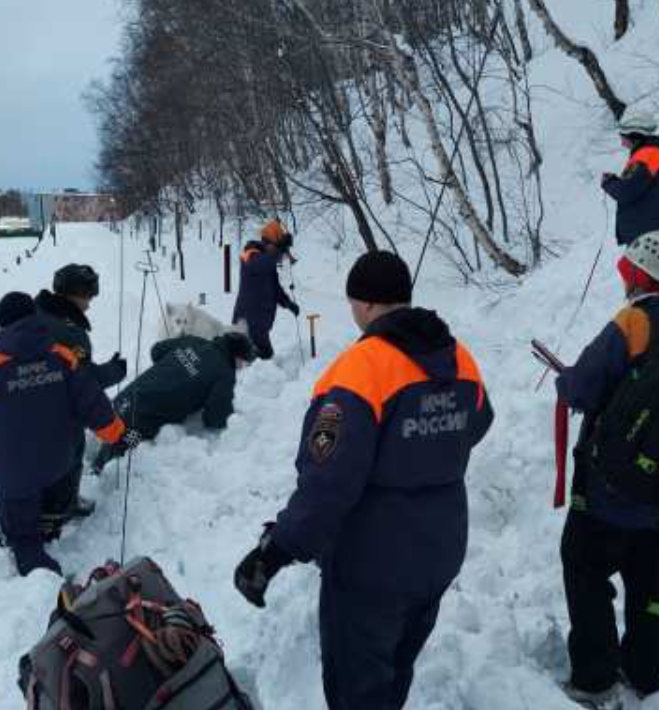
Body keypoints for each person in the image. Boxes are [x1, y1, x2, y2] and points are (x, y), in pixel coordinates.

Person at [233, 251, 494, 710]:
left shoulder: (363, 368)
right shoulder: (459, 357)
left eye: (354, 303)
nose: (353, 312)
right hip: (438, 551)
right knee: (396, 670)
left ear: (369, 305)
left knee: (359, 688)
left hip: (373, 563)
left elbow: (328, 483)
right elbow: (479, 421)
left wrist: (275, 551)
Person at [555, 231, 659, 709]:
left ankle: (594, 678)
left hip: (610, 487)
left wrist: (567, 383)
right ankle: (647, 673)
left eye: (628, 268)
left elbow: (583, 389)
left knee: (584, 569)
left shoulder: (634, 322)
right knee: (651, 577)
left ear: (642, 274)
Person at [0, 292, 128, 577]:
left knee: (21, 532)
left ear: (2, 326)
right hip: (59, 461)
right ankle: (51, 523)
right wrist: (116, 434)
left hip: (14, 474)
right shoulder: (63, 357)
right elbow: (93, 403)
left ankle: (34, 563)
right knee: (51, 499)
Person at [34, 264, 127, 522]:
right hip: (55, 407)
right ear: (74, 295)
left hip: (24, 399)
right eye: (88, 296)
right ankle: (61, 508)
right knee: (70, 452)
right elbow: (83, 382)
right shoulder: (71, 333)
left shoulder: (37, 310)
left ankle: (39, 506)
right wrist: (114, 371)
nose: (90, 303)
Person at [90, 332, 257, 469]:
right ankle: (90, 482)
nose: (241, 368)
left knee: (100, 441)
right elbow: (215, 418)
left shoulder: (194, 340)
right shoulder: (225, 373)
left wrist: (180, 366)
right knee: (110, 463)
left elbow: (156, 351)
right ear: (237, 357)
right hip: (142, 419)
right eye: (243, 363)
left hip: (124, 398)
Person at [601, 109, 659, 246]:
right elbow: (636, 185)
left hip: (646, 234)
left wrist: (609, 183)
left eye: (623, 137)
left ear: (635, 136)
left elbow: (626, 192)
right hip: (649, 230)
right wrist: (616, 181)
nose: (622, 143)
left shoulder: (647, 156)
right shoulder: (652, 154)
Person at [232, 219, 299, 360]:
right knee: (261, 363)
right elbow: (261, 264)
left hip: (261, 325)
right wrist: (278, 249)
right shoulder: (250, 255)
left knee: (261, 364)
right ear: (269, 245)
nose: (281, 256)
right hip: (247, 325)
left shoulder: (268, 262)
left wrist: (289, 304)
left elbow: (275, 289)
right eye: (280, 251)